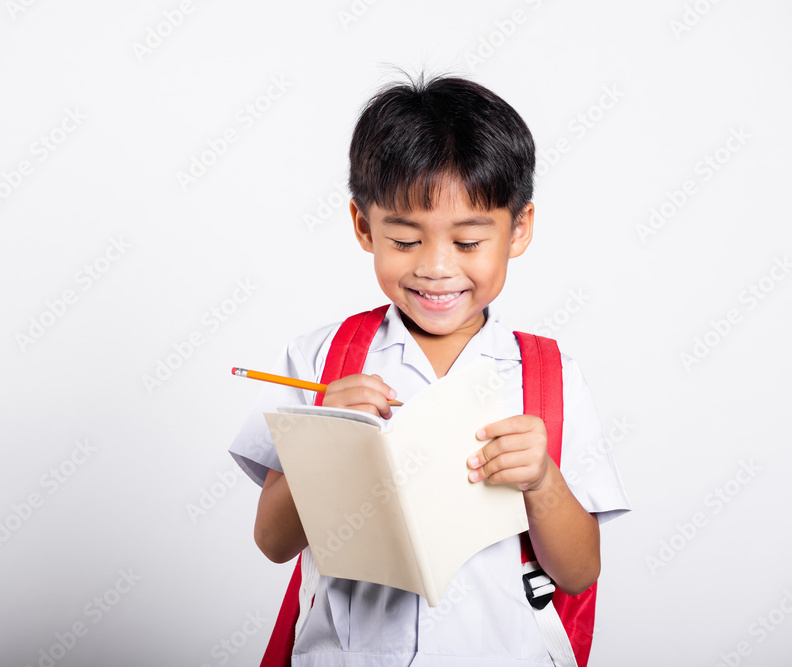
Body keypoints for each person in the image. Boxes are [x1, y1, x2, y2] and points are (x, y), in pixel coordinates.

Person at [228, 71, 631, 665]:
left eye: (468, 242)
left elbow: (578, 573)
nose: (437, 268)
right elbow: (273, 542)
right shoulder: (322, 359)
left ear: (518, 229)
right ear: (365, 227)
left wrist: (542, 480)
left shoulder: (550, 375)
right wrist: (326, 442)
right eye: (406, 240)